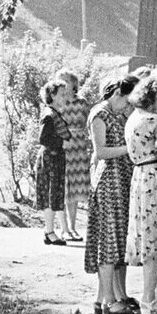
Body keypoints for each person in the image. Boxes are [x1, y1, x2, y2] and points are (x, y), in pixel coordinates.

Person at [83, 75, 140, 314]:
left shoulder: (116, 114)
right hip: (109, 184)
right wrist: (131, 148)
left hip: (122, 182)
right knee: (108, 242)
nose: (129, 107)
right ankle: (109, 300)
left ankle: (117, 295)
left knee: (119, 242)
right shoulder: (100, 114)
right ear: (117, 93)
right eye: (127, 101)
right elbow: (102, 151)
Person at [125, 78, 157, 314]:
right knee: (155, 239)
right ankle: (149, 299)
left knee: (151, 236)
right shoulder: (154, 121)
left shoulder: (134, 118)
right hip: (154, 177)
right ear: (151, 98)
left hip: (141, 175)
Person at [57, 69, 92, 241]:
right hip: (63, 145)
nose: (62, 83)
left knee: (75, 189)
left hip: (78, 146)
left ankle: (72, 226)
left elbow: (88, 123)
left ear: (73, 84)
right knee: (63, 187)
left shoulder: (82, 102)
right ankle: (64, 229)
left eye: (65, 81)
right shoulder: (59, 102)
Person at [35, 79, 72, 245]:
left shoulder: (55, 113)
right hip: (50, 158)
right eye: (62, 94)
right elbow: (43, 138)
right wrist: (61, 142)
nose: (65, 97)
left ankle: (49, 230)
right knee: (50, 196)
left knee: (54, 195)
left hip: (56, 158)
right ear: (52, 96)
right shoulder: (49, 115)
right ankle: (49, 231)